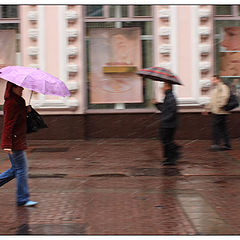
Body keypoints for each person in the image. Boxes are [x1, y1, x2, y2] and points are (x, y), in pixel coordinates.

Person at [0, 82, 38, 207]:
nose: (22, 88)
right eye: (19, 87)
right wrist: (6, 144)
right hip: (14, 142)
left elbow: (19, 120)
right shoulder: (11, 103)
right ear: (12, 88)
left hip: (18, 140)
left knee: (15, 170)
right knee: (22, 169)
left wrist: (27, 110)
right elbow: (8, 125)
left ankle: (22, 198)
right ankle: (22, 199)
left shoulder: (19, 101)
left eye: (22, 86)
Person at [152, 82, 181, 166]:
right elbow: (164, 109)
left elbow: (172, 111)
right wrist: (156, 104)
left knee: (167, 141)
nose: (162, 88)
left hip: (169, 124)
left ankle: (172, 157)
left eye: (163, 86)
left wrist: (164, 119)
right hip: (167, 123)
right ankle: (169, 158)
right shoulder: (167, 97)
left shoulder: (171, 97)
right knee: (166, 141)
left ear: (168, 87)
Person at [202, 75, 231, 151]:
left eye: (214, 79)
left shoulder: (223, 87)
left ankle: (216, 145)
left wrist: (219, 105)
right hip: (216, 111)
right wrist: (207, 109)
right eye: (212, 80)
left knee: (216, 128)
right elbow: (212, 101)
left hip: (220, 112)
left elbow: (225, 97)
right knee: (222, 128)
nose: (212, 81)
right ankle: (227, 144)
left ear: (218, 79)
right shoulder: (215, 89)